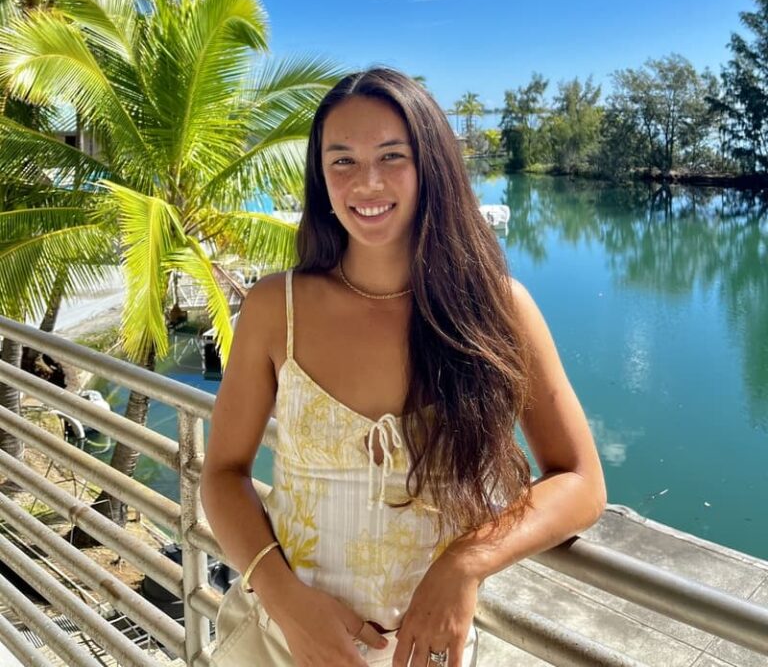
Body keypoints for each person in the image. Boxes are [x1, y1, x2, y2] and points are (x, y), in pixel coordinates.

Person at [201, 67, 606, 667]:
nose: (366, 182)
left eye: (392, 156)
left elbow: (580, 481)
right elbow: (223, 474)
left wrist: (467, 561)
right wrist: (288, 604)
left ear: (430, 166)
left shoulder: (497, 311)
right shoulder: (275, 307)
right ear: (321, 177)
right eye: (342, 161)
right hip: (278, 644)